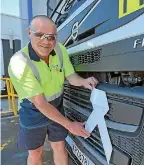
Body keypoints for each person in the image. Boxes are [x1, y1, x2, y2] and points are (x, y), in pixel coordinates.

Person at [8, 15, 98, 165]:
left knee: (59, 145)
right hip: (33, 111)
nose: (46, 41)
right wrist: (70, 125)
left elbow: (71, 76)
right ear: (29, 32)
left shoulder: (60, 50)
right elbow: (40, 103)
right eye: (39, 35)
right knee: (36, 151)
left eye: (50, 37)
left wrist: (83, 81)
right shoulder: (20, 62)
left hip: (56, 106)